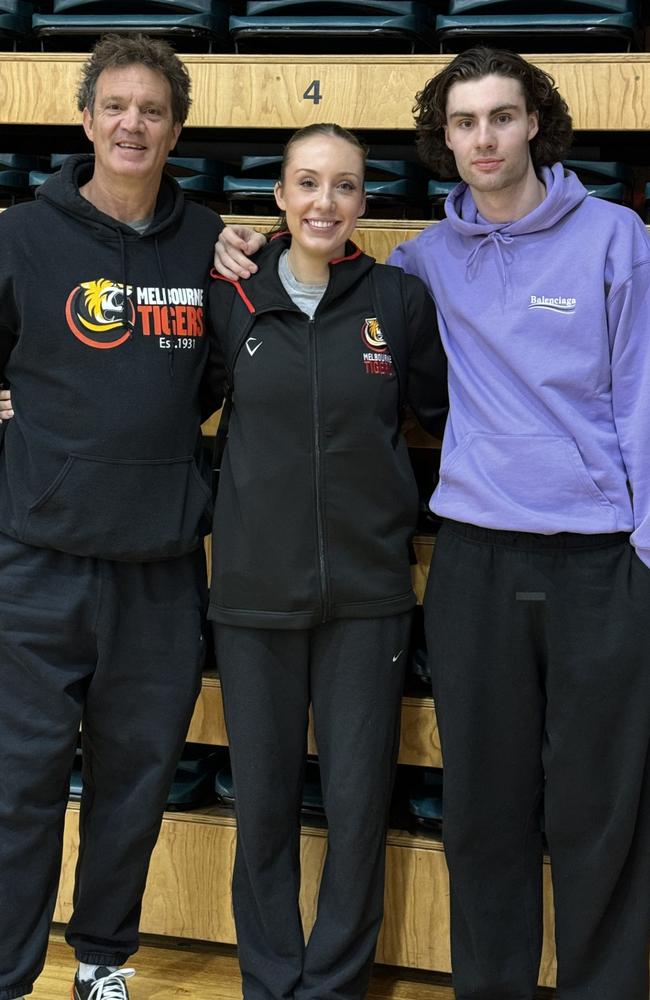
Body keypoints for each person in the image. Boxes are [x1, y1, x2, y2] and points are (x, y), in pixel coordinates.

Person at [212, 48, 650, 1000]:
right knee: (485, 812)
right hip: (475, 562)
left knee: (600, 812)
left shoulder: (617, 239)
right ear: (442, 139)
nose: (483, 138)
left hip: (601, 565)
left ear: (535, 120)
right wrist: (229, 243)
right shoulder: (421, 268)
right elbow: (310, 269)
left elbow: (646, 402)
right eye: (463, 123)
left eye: (500, 117)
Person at [0, 33, 244, 1000]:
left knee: (134, 784)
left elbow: (229, 379)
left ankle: (101, 961)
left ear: (175, 128)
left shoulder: (208, 241)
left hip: (159, 563)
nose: (132, 124)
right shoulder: (19, 234)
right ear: (87, 119)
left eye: (152, 110)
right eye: (116, 107)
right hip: (35, 562)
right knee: (17, 792)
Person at [206, 122, 448, 1000]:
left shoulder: (397, 300)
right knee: (264, 810)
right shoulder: (228, 299)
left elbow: (444, 416)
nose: (324, 202)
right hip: (252, 598)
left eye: (344, 186)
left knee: (355, 814)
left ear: (363, 202)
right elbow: (162, 402)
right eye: (308, 184)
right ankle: (271, 982)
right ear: (278, 196)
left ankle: (337, 984)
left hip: (368, 597)